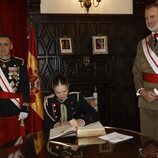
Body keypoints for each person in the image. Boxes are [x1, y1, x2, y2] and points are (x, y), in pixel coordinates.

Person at [132, 2, 158, 141]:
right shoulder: (142, 44)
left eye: (152, 16)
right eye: (146, 18)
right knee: (149, 144)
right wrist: (141, 91)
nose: (149, 21)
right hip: (147, 101)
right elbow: (136, 72)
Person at [0, 34, 30, 144]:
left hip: (14, 110)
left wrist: (25, 107)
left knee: (14, 146)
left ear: (11, 46)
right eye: (0, 45)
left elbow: (25, 87)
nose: (2, 48)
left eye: (6, 44)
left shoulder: (19, 63)